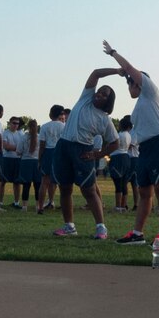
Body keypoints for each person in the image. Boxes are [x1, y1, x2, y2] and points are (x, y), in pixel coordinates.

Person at [103, 41, 159, 247]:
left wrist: (113, 53)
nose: (129, 86)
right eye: (128, 83)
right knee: (144, 192)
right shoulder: (137, 108)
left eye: (131, 82)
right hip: (145, 149)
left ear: (140, 82)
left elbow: (129, 69)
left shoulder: (151, 91)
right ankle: (137, 233)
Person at [50, 68, 121, 238]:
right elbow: (96, 73)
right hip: (64, 146)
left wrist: (98, 154)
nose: (99, 94)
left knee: (88, 190)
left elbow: (115, 143)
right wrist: (117, 70)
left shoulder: (104, 119)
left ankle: (101, 228)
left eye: (104, 95)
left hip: (83, 150)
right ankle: (69, 226)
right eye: (100, 91)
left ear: (108, 101)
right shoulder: (85, 98)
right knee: (65, 188)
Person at [35, 105, 66, 213]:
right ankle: (51, 201)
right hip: (59, 153)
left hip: (48, 152)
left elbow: (42, 144)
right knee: (58, 182)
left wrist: (39, 159)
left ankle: (40, 206)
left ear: (51, 114)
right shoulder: (63, 126)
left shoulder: (44, 126)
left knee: (44, 181)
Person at [108, 116, 135, 209]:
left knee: (118, 183)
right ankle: (123, 205)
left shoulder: (119, 135)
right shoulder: (129, 135)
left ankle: (118, 206)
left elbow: (112, 144)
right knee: (124, 183)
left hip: (117, 158)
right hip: (126, 157)